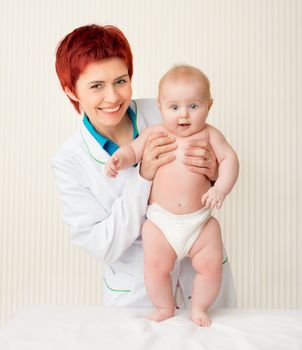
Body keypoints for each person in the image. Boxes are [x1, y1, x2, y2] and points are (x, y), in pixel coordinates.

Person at [52, 24, 237, 313]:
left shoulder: (170, 109)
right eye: (96, 86)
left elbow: (219, 162)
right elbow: (103, 246)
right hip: (137, 296)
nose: (113, 97)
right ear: (71, 91)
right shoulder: (68, 161)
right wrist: (143, 176)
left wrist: (213, 172)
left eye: (121, 81)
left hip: (202, 276)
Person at [105, 65, 239, 326]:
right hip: (161, 222)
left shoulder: (210, 135)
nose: (184, 115)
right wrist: (118, 159)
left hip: (200, 222)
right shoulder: (155, 133)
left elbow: (230, 159)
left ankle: (199, 307)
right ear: (160, 106)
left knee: (211, 265)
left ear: (209, 105)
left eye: (194, 106)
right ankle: (165, 306)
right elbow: (132, 152)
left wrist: (220, 188)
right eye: (174, 107)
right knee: (154, 267)